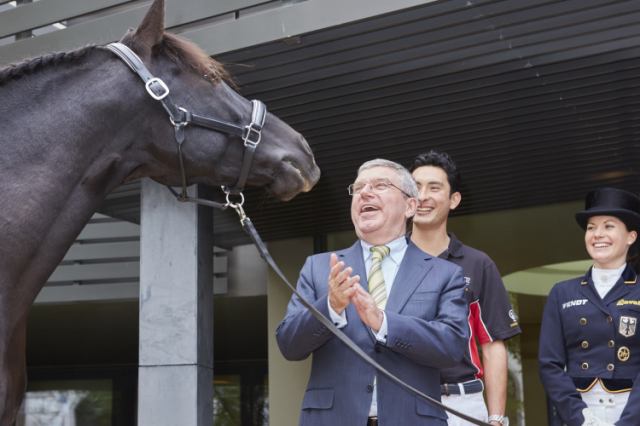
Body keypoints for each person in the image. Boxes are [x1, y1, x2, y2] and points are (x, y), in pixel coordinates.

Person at [276, 159, 469, 426]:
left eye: (381, 185)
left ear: (409, 206)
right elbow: (289, 344)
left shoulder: (445, 273)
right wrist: (330, 307)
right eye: (358, 188)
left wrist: (385, 323)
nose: (365, 192)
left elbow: (451, 348)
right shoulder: (319, 268)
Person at [408, 151, 521, 426]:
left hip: (464, 406)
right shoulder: (386, 261)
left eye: (434, 187)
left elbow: (493, 344)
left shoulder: (477, 263)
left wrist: (496, 418)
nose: (423, 196)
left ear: (454, 200)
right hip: (403, 400)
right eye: (415, 187)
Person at [539, 188, 640, 426]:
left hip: (632, 413)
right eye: (591, 227)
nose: (597, 234)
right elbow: (549, 364)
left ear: (631, 237)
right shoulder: (562, 293)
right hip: (579, 415)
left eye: (608, 226)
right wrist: (582, 419)